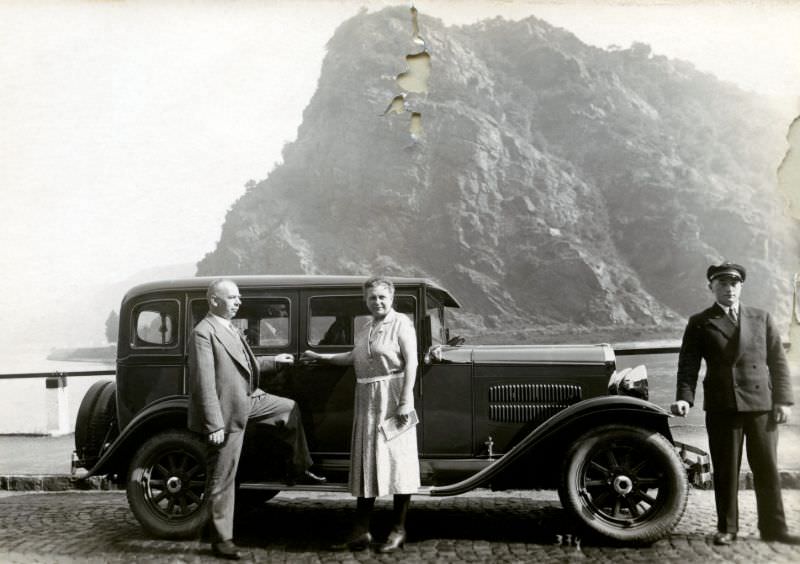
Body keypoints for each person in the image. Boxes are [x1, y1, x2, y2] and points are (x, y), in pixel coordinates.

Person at [188, 278, 325, 560]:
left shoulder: (231, 329)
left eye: (239, 297)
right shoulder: (203, 333)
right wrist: (214, 424)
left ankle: (298, 466)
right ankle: (221, 539)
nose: (239, 302)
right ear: (214, 300)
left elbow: (246, 365)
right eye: (232, 297)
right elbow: (204, 384)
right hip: (227, 412)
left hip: (252, 400)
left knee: (289, 408)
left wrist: (275, 361)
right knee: (223, 476)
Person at [671, 262, 799, 546]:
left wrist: (783, 401)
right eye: (722, 284)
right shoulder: (700, 322)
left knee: (767, 467)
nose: (729, 289)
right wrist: (684, 398)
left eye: (734, 283)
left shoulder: (761, 318)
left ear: (741, 286)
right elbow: (688, 364)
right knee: (726, 469)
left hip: (761, 406)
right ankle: (727, 528)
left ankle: (774, 528)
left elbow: (778, 361)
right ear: (711, 288)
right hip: (722, 405)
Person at [302, 276, 420, 553]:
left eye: (382, 297)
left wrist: (405, 400)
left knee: (398, 461)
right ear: (365, 300)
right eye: (372, 298)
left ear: (391, 298)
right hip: (367, 398)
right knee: (367, 461)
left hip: (393, 396)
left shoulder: (401, 323)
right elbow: (352, 357)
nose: (377, 302)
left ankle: (398, 529)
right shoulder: (366, 327)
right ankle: (360, 532)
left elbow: (412, 362)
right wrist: (321, 358)